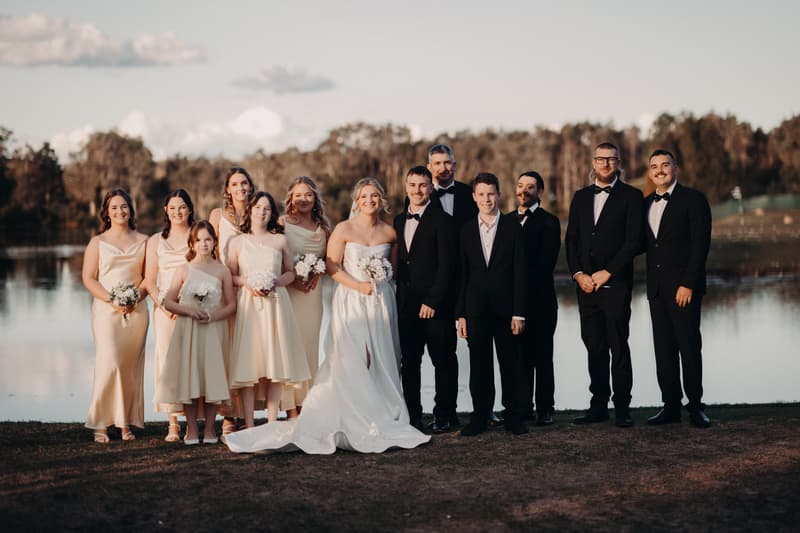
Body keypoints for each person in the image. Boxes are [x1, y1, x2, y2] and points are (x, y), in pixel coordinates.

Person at [225, 178, 430, 454]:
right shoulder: (343, 229)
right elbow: (332, 266)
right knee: (350, 357)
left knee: (382, 355)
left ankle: (380, 410)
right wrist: (358, 285)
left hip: (380, 302)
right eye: (364, 196)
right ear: (356, 201)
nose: (369, 201)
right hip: (351, 300)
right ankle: (335, 411)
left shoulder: (391, 232)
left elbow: (391, 271)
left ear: (381, 199)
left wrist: (378, 283)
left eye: (374, 196)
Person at [565, 142, 643, 428]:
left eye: (611, 159)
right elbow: (571, 240)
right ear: (594, 162)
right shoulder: (581, 196)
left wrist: (607, 272)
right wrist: (578, 274)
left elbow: (633, 241)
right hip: (585, 287)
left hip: (616, 285)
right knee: (594, 346)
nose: (606, 164)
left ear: (619, 162)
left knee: (618, 347)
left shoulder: (632, 197)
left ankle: (622, 408)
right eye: (601, 159)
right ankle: (598, 406)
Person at [226, 192, 311, 428]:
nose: (261, 212)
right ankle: (250, 424)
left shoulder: (280, 240)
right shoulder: (237, 242)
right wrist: (248, 283)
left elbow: (290, 272)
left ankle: (273, 421)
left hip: (275, 304)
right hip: (248, 306)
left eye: (267, 208)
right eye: (257, 207)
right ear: (250, 210)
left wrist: (275, 282)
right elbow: (230, 276)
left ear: (272, 213)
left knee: (274, 362)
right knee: (249, 362)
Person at [456, 173, 529, 437]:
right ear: (474, 197)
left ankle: (513, 417)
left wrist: (519, 312)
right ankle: (479, 417)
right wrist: (461, 314)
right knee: (479, 366)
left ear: (499, 195)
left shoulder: (513, 227)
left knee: (510, 364)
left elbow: (521, 272)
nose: (486, 199)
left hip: (507, 309)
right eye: (481, 194)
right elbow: (462, 275)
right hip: (475, 310)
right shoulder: (465, 230)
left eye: (491, 194)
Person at [643, 150, 712, 428]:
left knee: (689, 347)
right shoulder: (646, 203)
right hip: (656, 290)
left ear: (675, 168)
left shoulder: (693, 200)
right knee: (663, 350)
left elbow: (700, 245)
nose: (660, 170)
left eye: (665, 165)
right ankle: (670, 406)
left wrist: (688, 283)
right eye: (654, 167)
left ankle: (696, 407)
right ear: (650, 173)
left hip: (684, 288)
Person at [155, 221, 237, 444]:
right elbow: (169, 302)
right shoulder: (183, 269)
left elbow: (231, 305)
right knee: (190, 378)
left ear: (214, 242)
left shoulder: (222, 270)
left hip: (213, 329)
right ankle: (191, 429)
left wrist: (213, 317)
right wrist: (189, 311)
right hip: (189, 330)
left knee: (211, 377)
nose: (203, 244)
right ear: (192, 243)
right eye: (199, 240)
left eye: (208, 239)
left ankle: (210, 429)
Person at [81, 189, 149, 443]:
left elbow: (148, 278)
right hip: (106, 311)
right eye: (114, 208)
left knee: (129, 368)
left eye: (124, 207)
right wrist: (113, 299)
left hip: (137, 312)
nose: (120, 212)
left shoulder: (145, 241)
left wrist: (135, 298)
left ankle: (125, 423)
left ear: (131, 210)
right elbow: (88, 278)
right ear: (106, 214)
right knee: (110, 363)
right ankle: (100, 423)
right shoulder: (97, 242)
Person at [393, 166, 458, 432]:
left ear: (431, 188)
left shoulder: (443, 220)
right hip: (406, 305)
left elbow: (447, 267)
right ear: (405, 186)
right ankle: (413, 415)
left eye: (422, 185)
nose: (417, 190)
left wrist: (432, 301)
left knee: (443, 360)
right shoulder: (398, 221)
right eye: (412, 185)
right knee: (409, 363)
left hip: (436, 306)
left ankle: (444, 414)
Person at [505, 171, 561, 426]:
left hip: (541, 301)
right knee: (519, 357)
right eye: (520, 185)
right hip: (511, 303)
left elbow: (544, 263)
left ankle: (546, 408)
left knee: (542, 356)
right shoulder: (504, 221)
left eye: (530, 187)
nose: (524, 190)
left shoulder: (549, 222)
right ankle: (523, 407)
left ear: (539, 192)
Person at [144, 189, 194, 442]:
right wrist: (165, 305)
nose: (178, 212)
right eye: (173, 208)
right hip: (165, 311)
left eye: (182, 207)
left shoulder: (198, 236)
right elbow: (150, 281)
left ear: (190, 209)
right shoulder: (155, 241)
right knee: (167, 361)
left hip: (193, 306)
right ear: (166, 210)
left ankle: (193, 422)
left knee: (192, 361)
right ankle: (172, 423)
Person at [209, 166, 255, 434]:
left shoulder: (259, 210)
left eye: (244, 183)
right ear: (227, 189)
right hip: (223, 290)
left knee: (246, 351)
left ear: (250, 186)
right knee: (226, 352)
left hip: (250, 290)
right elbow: (209, 249)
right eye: (235, 184)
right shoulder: (217, 215)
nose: (240, 188)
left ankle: (245, 413)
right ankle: (228, 415)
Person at [280, 176, 332, 415]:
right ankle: (289, 406)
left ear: (315, 198)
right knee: (289, 346)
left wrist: (316, 275)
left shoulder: (324, 228)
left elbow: (329, 260)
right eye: (298, 195)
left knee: (309, 347)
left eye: (308, 195)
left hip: (312, 295)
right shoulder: (281, 224)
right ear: (291, 198)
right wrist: (292, 276)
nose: (303, 199)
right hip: (290, 293)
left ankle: (307, 404)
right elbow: (275, 256)